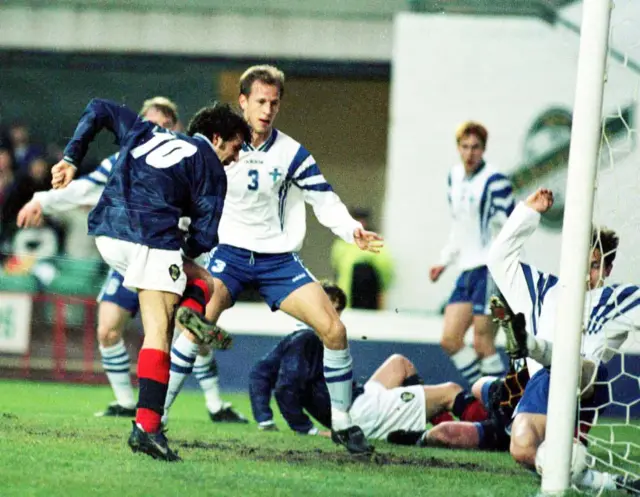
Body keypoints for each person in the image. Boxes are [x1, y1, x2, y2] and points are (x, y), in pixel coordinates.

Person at [163, 65, 383, 454]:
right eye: (260, 101)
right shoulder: (216, 144)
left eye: (274, 103)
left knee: (334, 330)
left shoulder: (292, 153)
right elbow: (188, 192)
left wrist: (352, 230)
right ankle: (156, 418)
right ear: (243, 101)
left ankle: (343, 424)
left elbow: (324, 199)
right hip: (228, 256)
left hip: (278, 260)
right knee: (196, 327)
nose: (267, 110)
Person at [17, 97, 246, 424]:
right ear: (216, 138)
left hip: (110, 235)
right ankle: (150, 421)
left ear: (175, 127)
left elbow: (97, 108)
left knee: (172, 318)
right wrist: (45, 198)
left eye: (164, 125)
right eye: (234, 149)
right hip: (157, 244)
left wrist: (68, 160)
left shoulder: (140, 137)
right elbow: (204, 237)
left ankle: (208, 399)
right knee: (174, 314)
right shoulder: (205, 165)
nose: (235, 158)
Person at [487, 188, 640, 493]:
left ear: (607, 270)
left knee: (582, 369)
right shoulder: (542, 290)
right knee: (521, 448)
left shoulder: (615, 299)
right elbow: (498, 258)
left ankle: (527, 344)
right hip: (541, 387)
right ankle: (606, 482)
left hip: (583, 387)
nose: (586, 272)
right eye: (582, 261)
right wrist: (528, 212)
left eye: (596, 265)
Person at [249, 282, 489, 441]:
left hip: (358, 400)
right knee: (451, 391)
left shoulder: (297, 336)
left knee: (399, 363)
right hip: (357, 413)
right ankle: (489, 431)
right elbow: (286, 387)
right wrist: (307, 430)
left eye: (339, 309)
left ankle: (427, 423)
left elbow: (259, 373)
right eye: (331, 306)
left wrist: (264, 419)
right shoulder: (307, 339)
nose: (336, 313)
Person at [429, 121, 514, 385]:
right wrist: (444, 261)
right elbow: (459, 225)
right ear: (458, 148)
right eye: (465, 147)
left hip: (488, 270)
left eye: (476, 147)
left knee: (482, 342)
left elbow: (511, 225)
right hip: (466, 269)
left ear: (484, 149)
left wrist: (504, 265)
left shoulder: (496, 181)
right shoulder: (454, 177)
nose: (470, 153)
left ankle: (502, 408)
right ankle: (486, 395)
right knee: (450, 340)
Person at [330, 208, 394, 310]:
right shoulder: (341, 243)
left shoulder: (374, 242)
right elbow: (336, 269)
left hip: (368, 295)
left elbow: (385, 269)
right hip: (346, 294)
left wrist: (382, 291)